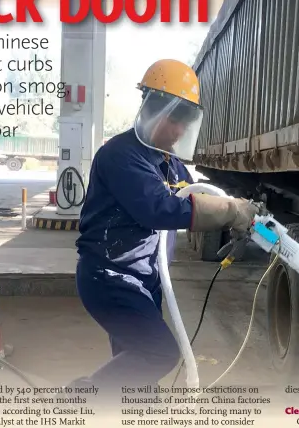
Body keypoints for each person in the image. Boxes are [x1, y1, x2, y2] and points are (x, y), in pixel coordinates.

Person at [67, 59, 259, 405]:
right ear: (152, 110)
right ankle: (81, 400)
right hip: (109, 278)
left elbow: (195, 196)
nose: (179, 131)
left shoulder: (169, 162)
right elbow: (161, 208)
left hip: (143, 281)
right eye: (174, 120)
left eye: (185, 124)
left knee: (137, 379)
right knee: (159, 355)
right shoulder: (122, 156)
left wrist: (241, 212)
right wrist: (230, 211)